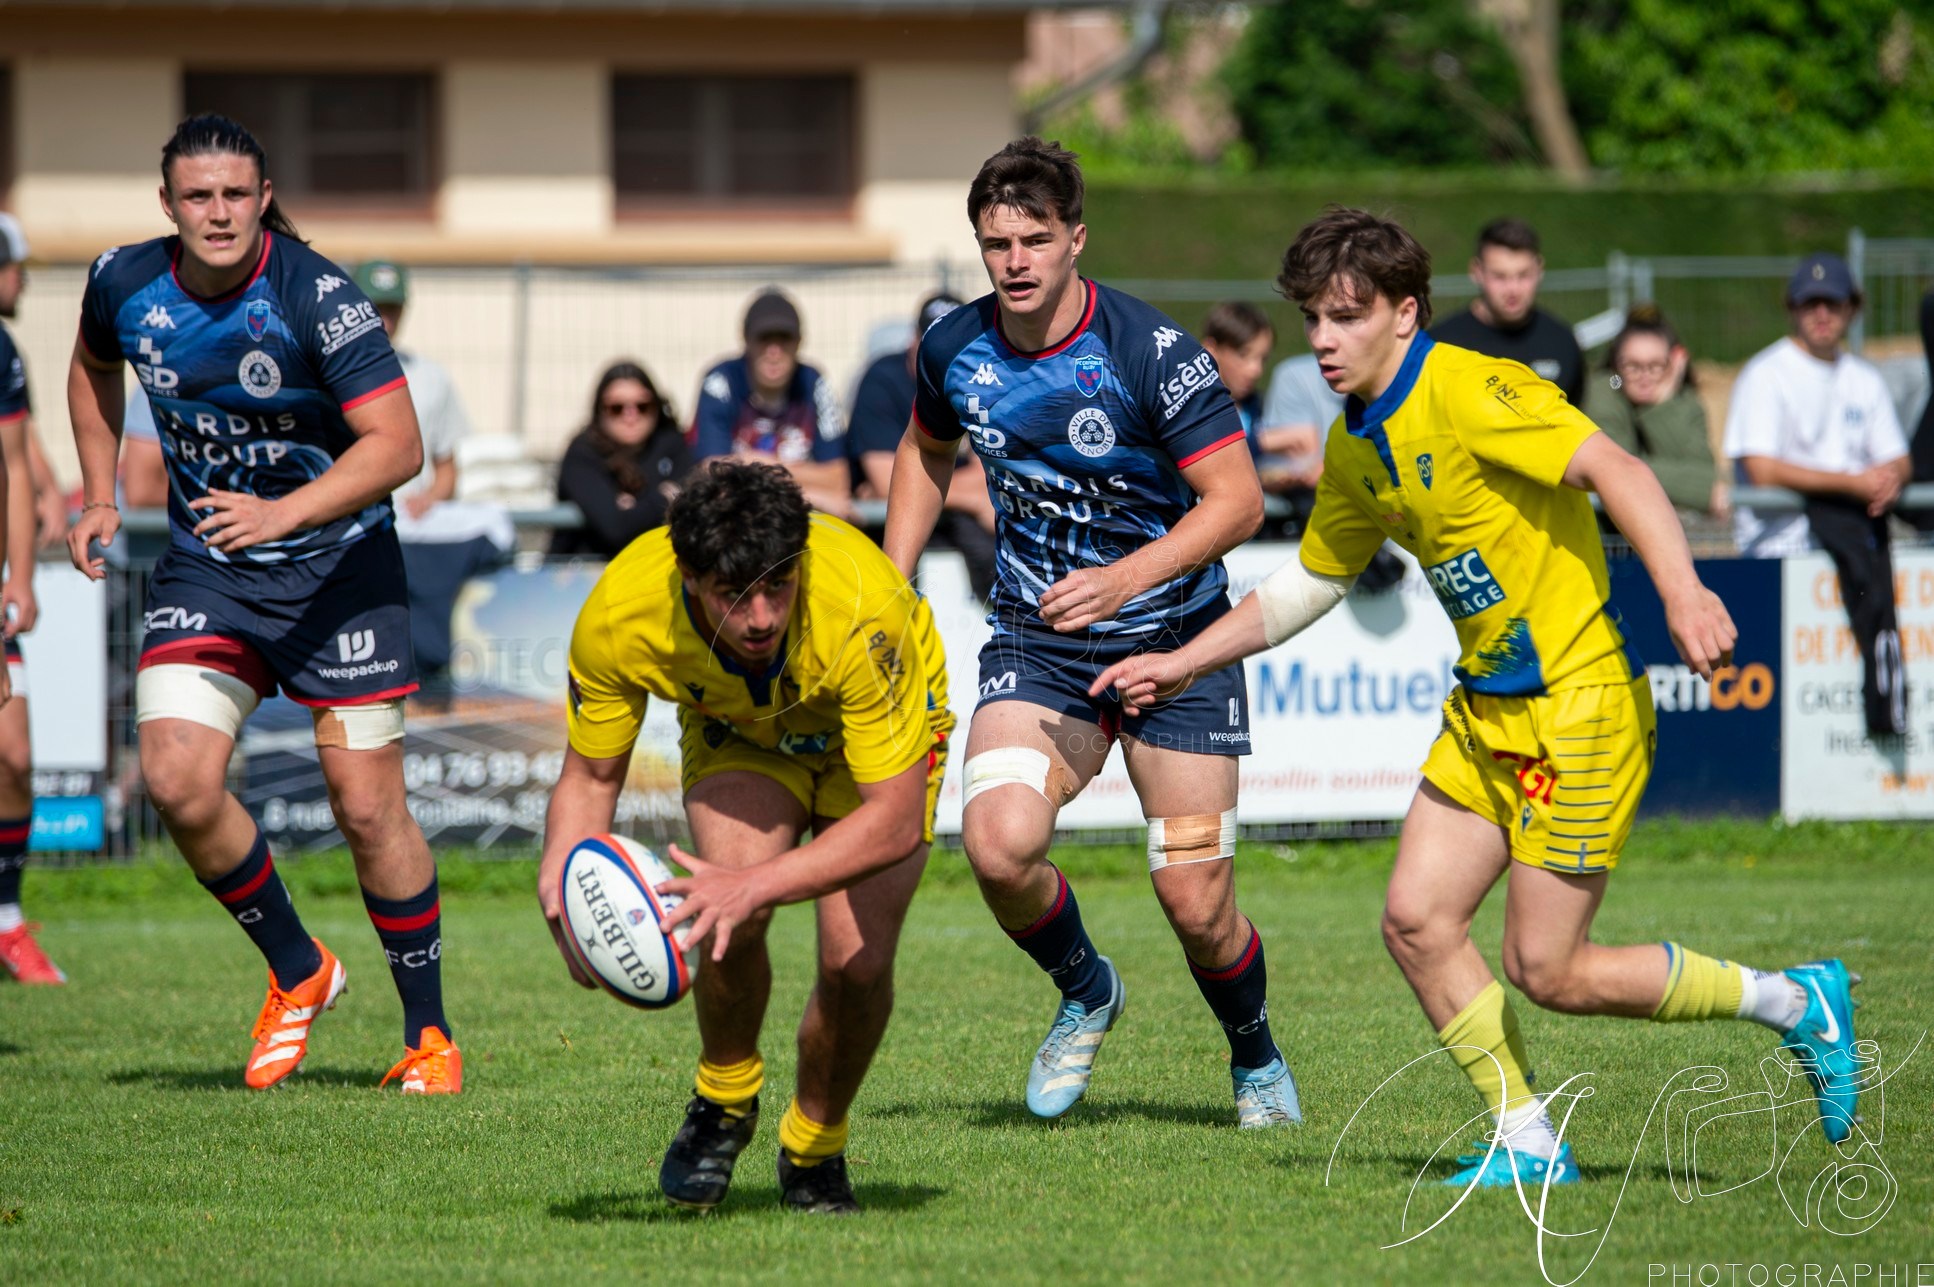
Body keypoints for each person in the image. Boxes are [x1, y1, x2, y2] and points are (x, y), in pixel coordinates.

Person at [1093, 208, 1865, 1186]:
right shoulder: (1353, 443)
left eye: (1344, 316)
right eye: (1312, 319)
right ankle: (1528, 1140)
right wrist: (1183, 661)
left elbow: (1614, 465)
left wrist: (1681, 588)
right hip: (1487, 712)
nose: (1322, 338)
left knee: (1549, 969)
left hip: (1579, 705)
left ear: (1404, 313)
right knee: (1417, 921)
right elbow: (1314, 581)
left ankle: (1795, 1002)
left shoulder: (1472, 388)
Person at [884, 137, 1302, 1129]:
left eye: (1034, 240)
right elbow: (924, 451)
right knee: (998, 846)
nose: (1015, 261)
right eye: (997, 244)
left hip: (1175, 645)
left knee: (1196, 904)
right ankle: (1086, 988)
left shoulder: (1151, 353)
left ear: (1076, 238)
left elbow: (1238, 501)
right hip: (1040, 647)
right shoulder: (952, 348)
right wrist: (890, 584)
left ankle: (1254, 1057)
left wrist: (1123, 579)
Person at [65, 114, 460, 1092]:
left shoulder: (319, 298)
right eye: (198, 196)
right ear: (168, 204)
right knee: (176, 778)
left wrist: (282, 511)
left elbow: (398, 446)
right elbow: (91, 367)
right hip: (213, 572)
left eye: (235, 194)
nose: (218, 213)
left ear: (264, 198)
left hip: (341, 574)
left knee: (367, 808)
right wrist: (100, 493)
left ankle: (428, 1036)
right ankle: (298, 967)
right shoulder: (122, 282)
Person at [538, 460, 951, 1215]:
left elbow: (890, 820)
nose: (760, 617)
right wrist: (560, 880)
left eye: (778, 588)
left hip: (869, 747)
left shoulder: (865, 609)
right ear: (690, 578)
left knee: (855, 964)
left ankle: (814, 1149)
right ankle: (724, 1099)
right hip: (744, 734)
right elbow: (590, 779)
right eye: (734, 594)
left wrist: (752, 885)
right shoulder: (621, 614)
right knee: (724, 916)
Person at [1725, 253, 1909, 737]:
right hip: (1779, 554)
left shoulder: (1864, 378)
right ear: (1793, 308)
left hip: (1848, 558)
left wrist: (1890, 477)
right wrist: (1852, 483)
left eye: (1833, 303)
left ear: (1852, 309)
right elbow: (1760, 469)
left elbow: (1897, 456)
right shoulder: (1766, 373)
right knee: (1778, 709)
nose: (1822, 314)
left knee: (1836, 692)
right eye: (1811, 304)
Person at [846, 292, 998, 601]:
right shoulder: (882, 379)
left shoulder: (983, 375)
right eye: (933, 338)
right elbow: (885, 483)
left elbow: (993, 472)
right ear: (913, 340)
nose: (944, 350)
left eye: (956, 342)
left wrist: (913, 482)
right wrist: (972, 498)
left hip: (952, 520)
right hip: (884, 526)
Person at [0, 212, 59, 984]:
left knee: (13, 755)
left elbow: (13, 466)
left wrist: (19, 576)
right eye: (16, 266)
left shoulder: (2, 349)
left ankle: (7, 919)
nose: (22, 282)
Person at [691, 290, 850, 517]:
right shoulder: (721, 381)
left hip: (797, 519)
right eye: (764, 338)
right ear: (746, 340)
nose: (774, 352)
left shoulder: (813, 382)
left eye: (784, 339)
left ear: (799, 342)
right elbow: (713, 474)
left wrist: (753, 462)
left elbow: (837, 479)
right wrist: (811, 494)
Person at [1584, 304, 1725, 522]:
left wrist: (1663, 403)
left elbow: (1704, 468)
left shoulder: (1683, 399)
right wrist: (1702, 491)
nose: (1644, 376)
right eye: (1632, 366)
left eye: (1656, 365)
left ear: (1674, 363)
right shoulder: (1606, 388)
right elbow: (1617, 468)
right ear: (1615, 365)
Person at [355, 260, 470, 525]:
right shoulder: (323, 375)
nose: (385, 321)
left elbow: (447, 469)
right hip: (351, 519)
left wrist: (430, 499)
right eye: (375, 309)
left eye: (392, 310)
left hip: (411, 522)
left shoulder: (431, 376)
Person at [1430, 218, 1585, 405]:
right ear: (1476, 271)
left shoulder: (1562, 341)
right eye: (1500, 276)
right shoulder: (1441, 346)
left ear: (1539, 269)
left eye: (1523, 275)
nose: (1513, 289)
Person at [550, 361, 692, 558]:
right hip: (584, 569)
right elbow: (617, 528)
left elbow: (693, 502)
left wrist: (637, 507)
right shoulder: (582, 453)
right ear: (600, 410)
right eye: (616, 408)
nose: (630, 416)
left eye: (642, 406)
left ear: (657, 407)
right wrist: (666, 496)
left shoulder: (672, 443)